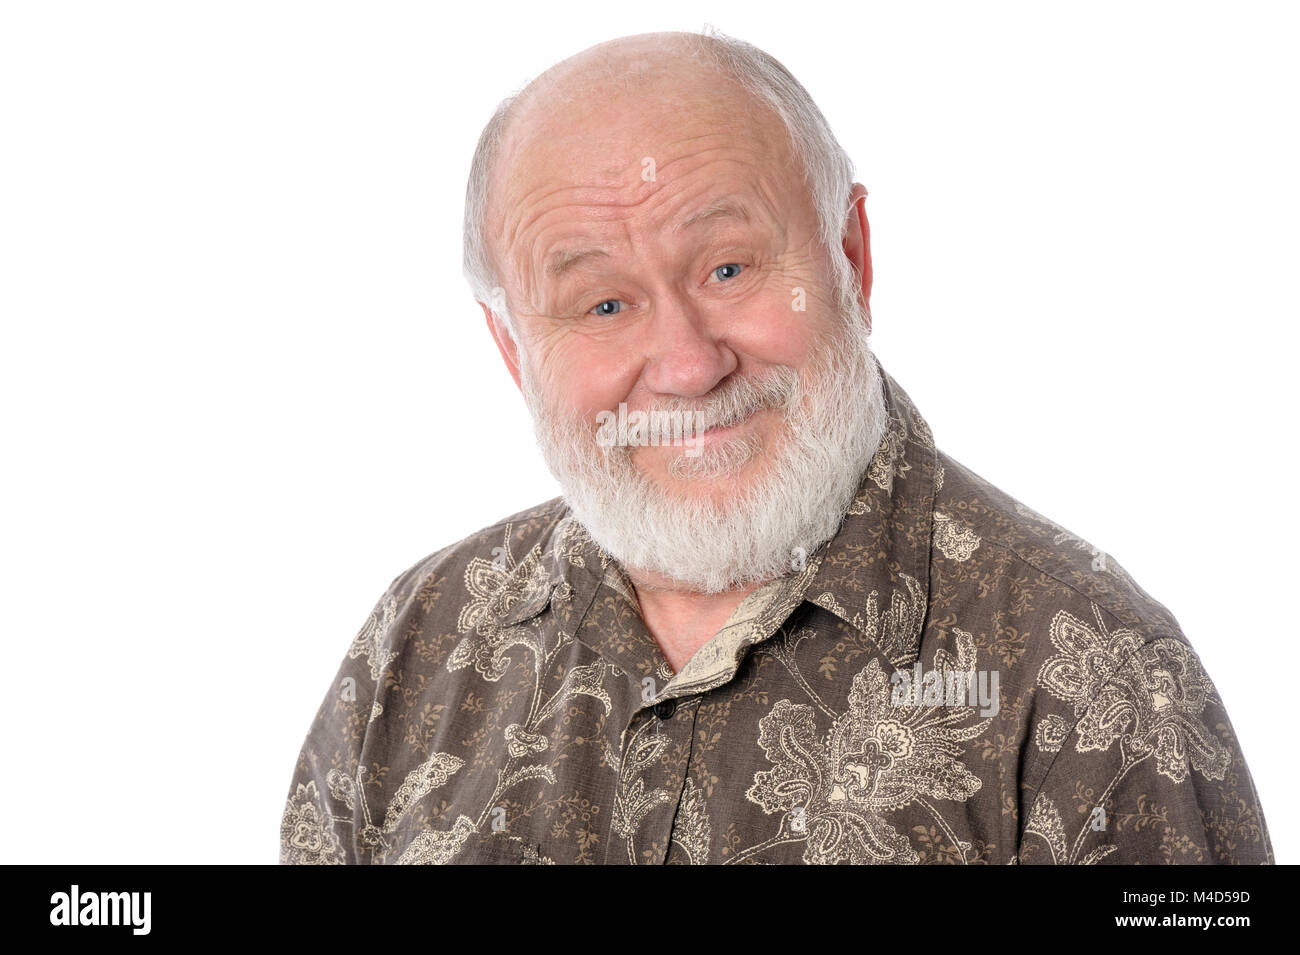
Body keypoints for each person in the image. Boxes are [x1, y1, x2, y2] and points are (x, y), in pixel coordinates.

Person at [279, 29, 1272, 864]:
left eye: (725, 265)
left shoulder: (1094, 668)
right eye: (603, 302)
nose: (683, 362)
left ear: (851, 256)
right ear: (513, 350)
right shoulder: (416, 645)